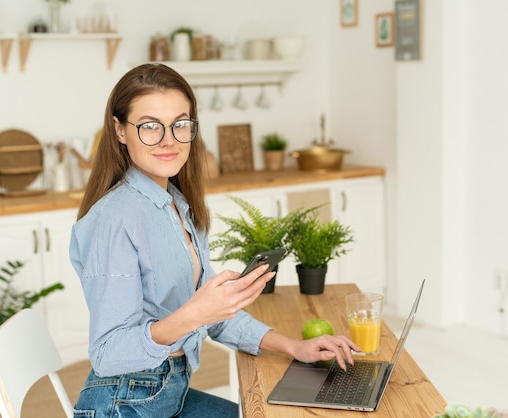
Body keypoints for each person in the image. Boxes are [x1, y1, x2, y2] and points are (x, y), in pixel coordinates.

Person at [69, 63, 359, 418]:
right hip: (122, 403)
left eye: (179, 124)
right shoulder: (115, 218)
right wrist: (195, 313)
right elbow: (109, 352)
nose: (168, 139)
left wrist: (294, 346)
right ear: (120, 130)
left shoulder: (176, 205)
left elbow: (214, 318)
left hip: (165, 394)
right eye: (149, 126)